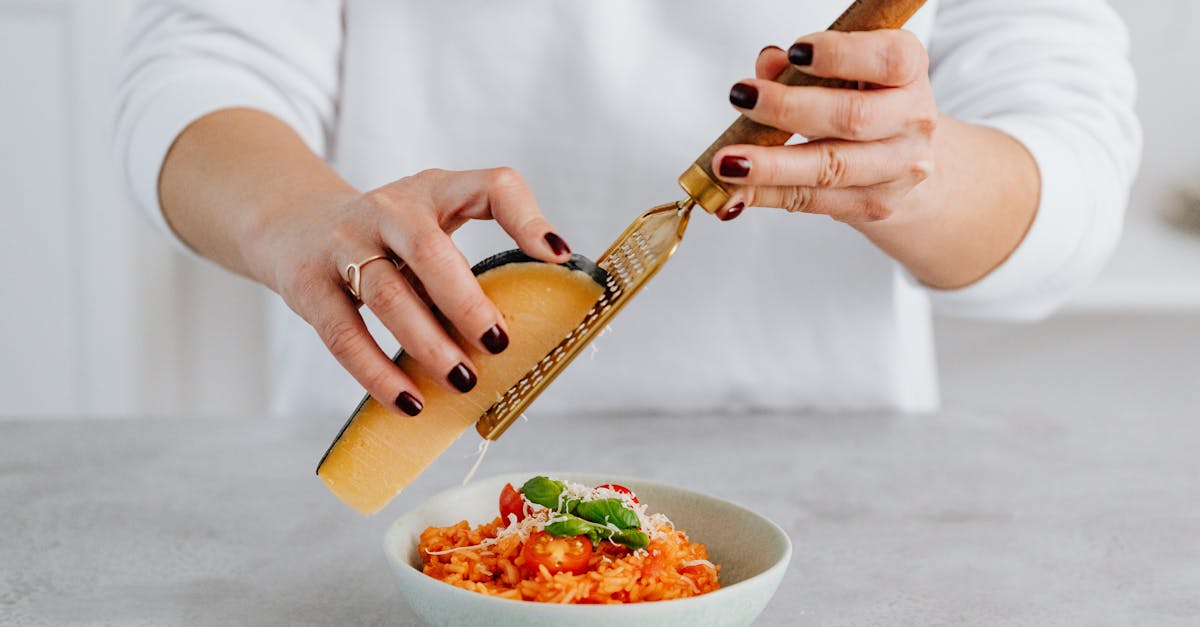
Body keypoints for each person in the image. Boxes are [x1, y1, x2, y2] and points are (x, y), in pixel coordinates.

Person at [112, 1, 1139, 417]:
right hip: (403, 473)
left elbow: (1073, 173)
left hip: (821, 501)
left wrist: (906, 170)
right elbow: (198, 67)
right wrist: (298, 216)